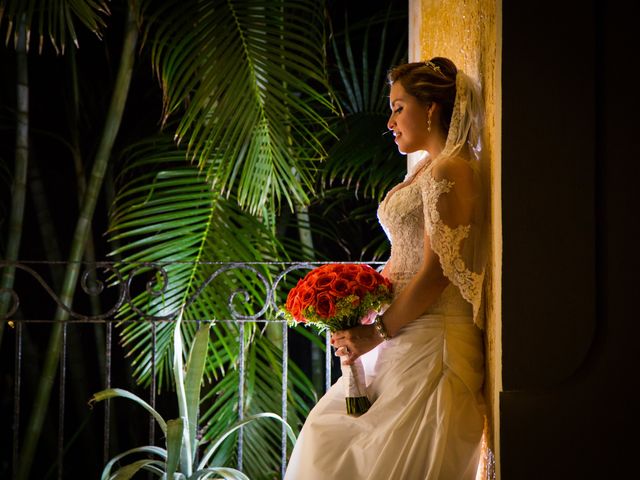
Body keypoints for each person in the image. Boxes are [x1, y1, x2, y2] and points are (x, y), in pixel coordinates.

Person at [284, 57, 487, 480]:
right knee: (331, 439)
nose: (390, 121)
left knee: (377, 457)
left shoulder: (450, 170)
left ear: (430, 108)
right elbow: (407, 254)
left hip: (433, 342)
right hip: (403, 332)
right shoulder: (427, 169)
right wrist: (363, 300)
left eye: (398, 107)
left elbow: (437, 272)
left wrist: (376, 333)